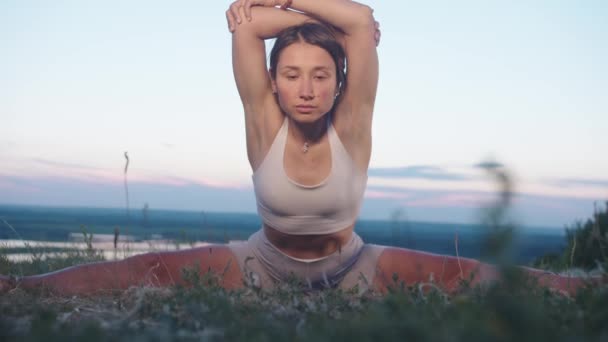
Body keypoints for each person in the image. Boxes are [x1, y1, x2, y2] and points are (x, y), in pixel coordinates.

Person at [0, 0, 590, 296]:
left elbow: (359, 20)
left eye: (319, 75)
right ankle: (20, 288)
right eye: (290, 74)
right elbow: (247, 25)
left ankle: (587, 288)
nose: (304, 89)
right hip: (261, 264)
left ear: (339, 85)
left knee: (468, 276)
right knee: (144, 269)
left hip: (353, 265)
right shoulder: (263, 121)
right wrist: (293, 21)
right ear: (272, 83)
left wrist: (310, 15)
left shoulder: (352, 123)